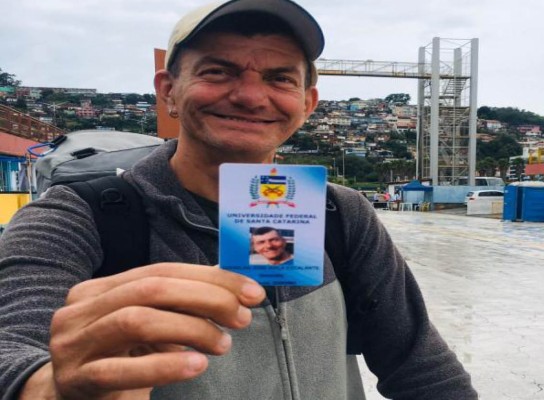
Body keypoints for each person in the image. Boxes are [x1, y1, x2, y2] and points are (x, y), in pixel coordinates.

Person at [0, 1, 477, 399]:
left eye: (280, 78)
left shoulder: (341, 214)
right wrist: (48, 387)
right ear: (168, 91)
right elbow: (11, 345)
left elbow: (423, 369)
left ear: (307, 103)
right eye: (218, 71)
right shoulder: (75, 217)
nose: (251, 96)